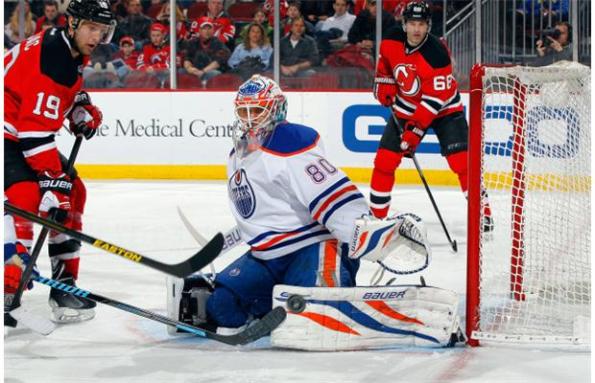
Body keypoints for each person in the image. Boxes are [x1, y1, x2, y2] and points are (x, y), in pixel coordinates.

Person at [167, 75, 438, 340]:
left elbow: (332, 197)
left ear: (277, 110)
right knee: (222, 307)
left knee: (312, 314)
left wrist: (367, 236)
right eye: (244, 111)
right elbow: (262, 213)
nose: (249, 119)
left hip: (314, 246)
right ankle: (270, 306)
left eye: (257, 110)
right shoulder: (237, 155)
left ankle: (397, 316)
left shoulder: (289, 142)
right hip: (268, 256)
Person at [4, 0, 114, 325]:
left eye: (102, 29)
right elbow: (33, 134)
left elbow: (58, 95)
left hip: (18, 131)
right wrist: (52, 179)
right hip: (9, 135)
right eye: (92, 27)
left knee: (74, 193)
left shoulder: (66, 47)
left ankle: (64, 286)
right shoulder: (54, 59)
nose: (97, 35)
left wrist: (79, 106)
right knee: (25, 198)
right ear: (74, 23)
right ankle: (9, 288)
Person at [369, 1, 493, 230]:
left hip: (445, 109)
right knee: (384, 162)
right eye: (413, 23)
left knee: (462, 163)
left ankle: (482, 214)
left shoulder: (437, 53)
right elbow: (385, 66)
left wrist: (414, 133)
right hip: (406, 107)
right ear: (404, 24)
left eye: (422, 24)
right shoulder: (390, 40)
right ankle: (376, 218)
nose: (417, 29)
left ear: (428, 26)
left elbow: (433, 101)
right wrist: (384, 83)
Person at [182, 17, 231, 83]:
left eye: (209, 28)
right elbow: (187, 58)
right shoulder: (192, 42)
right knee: (181, 71)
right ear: (199, 30)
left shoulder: (218, 43)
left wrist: (203, 71)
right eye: (204, 28)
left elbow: (218, 62)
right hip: (195, 71)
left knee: (214, 73)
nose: (207, 31)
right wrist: (189, 68)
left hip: (209, 71)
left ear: (213, 30)